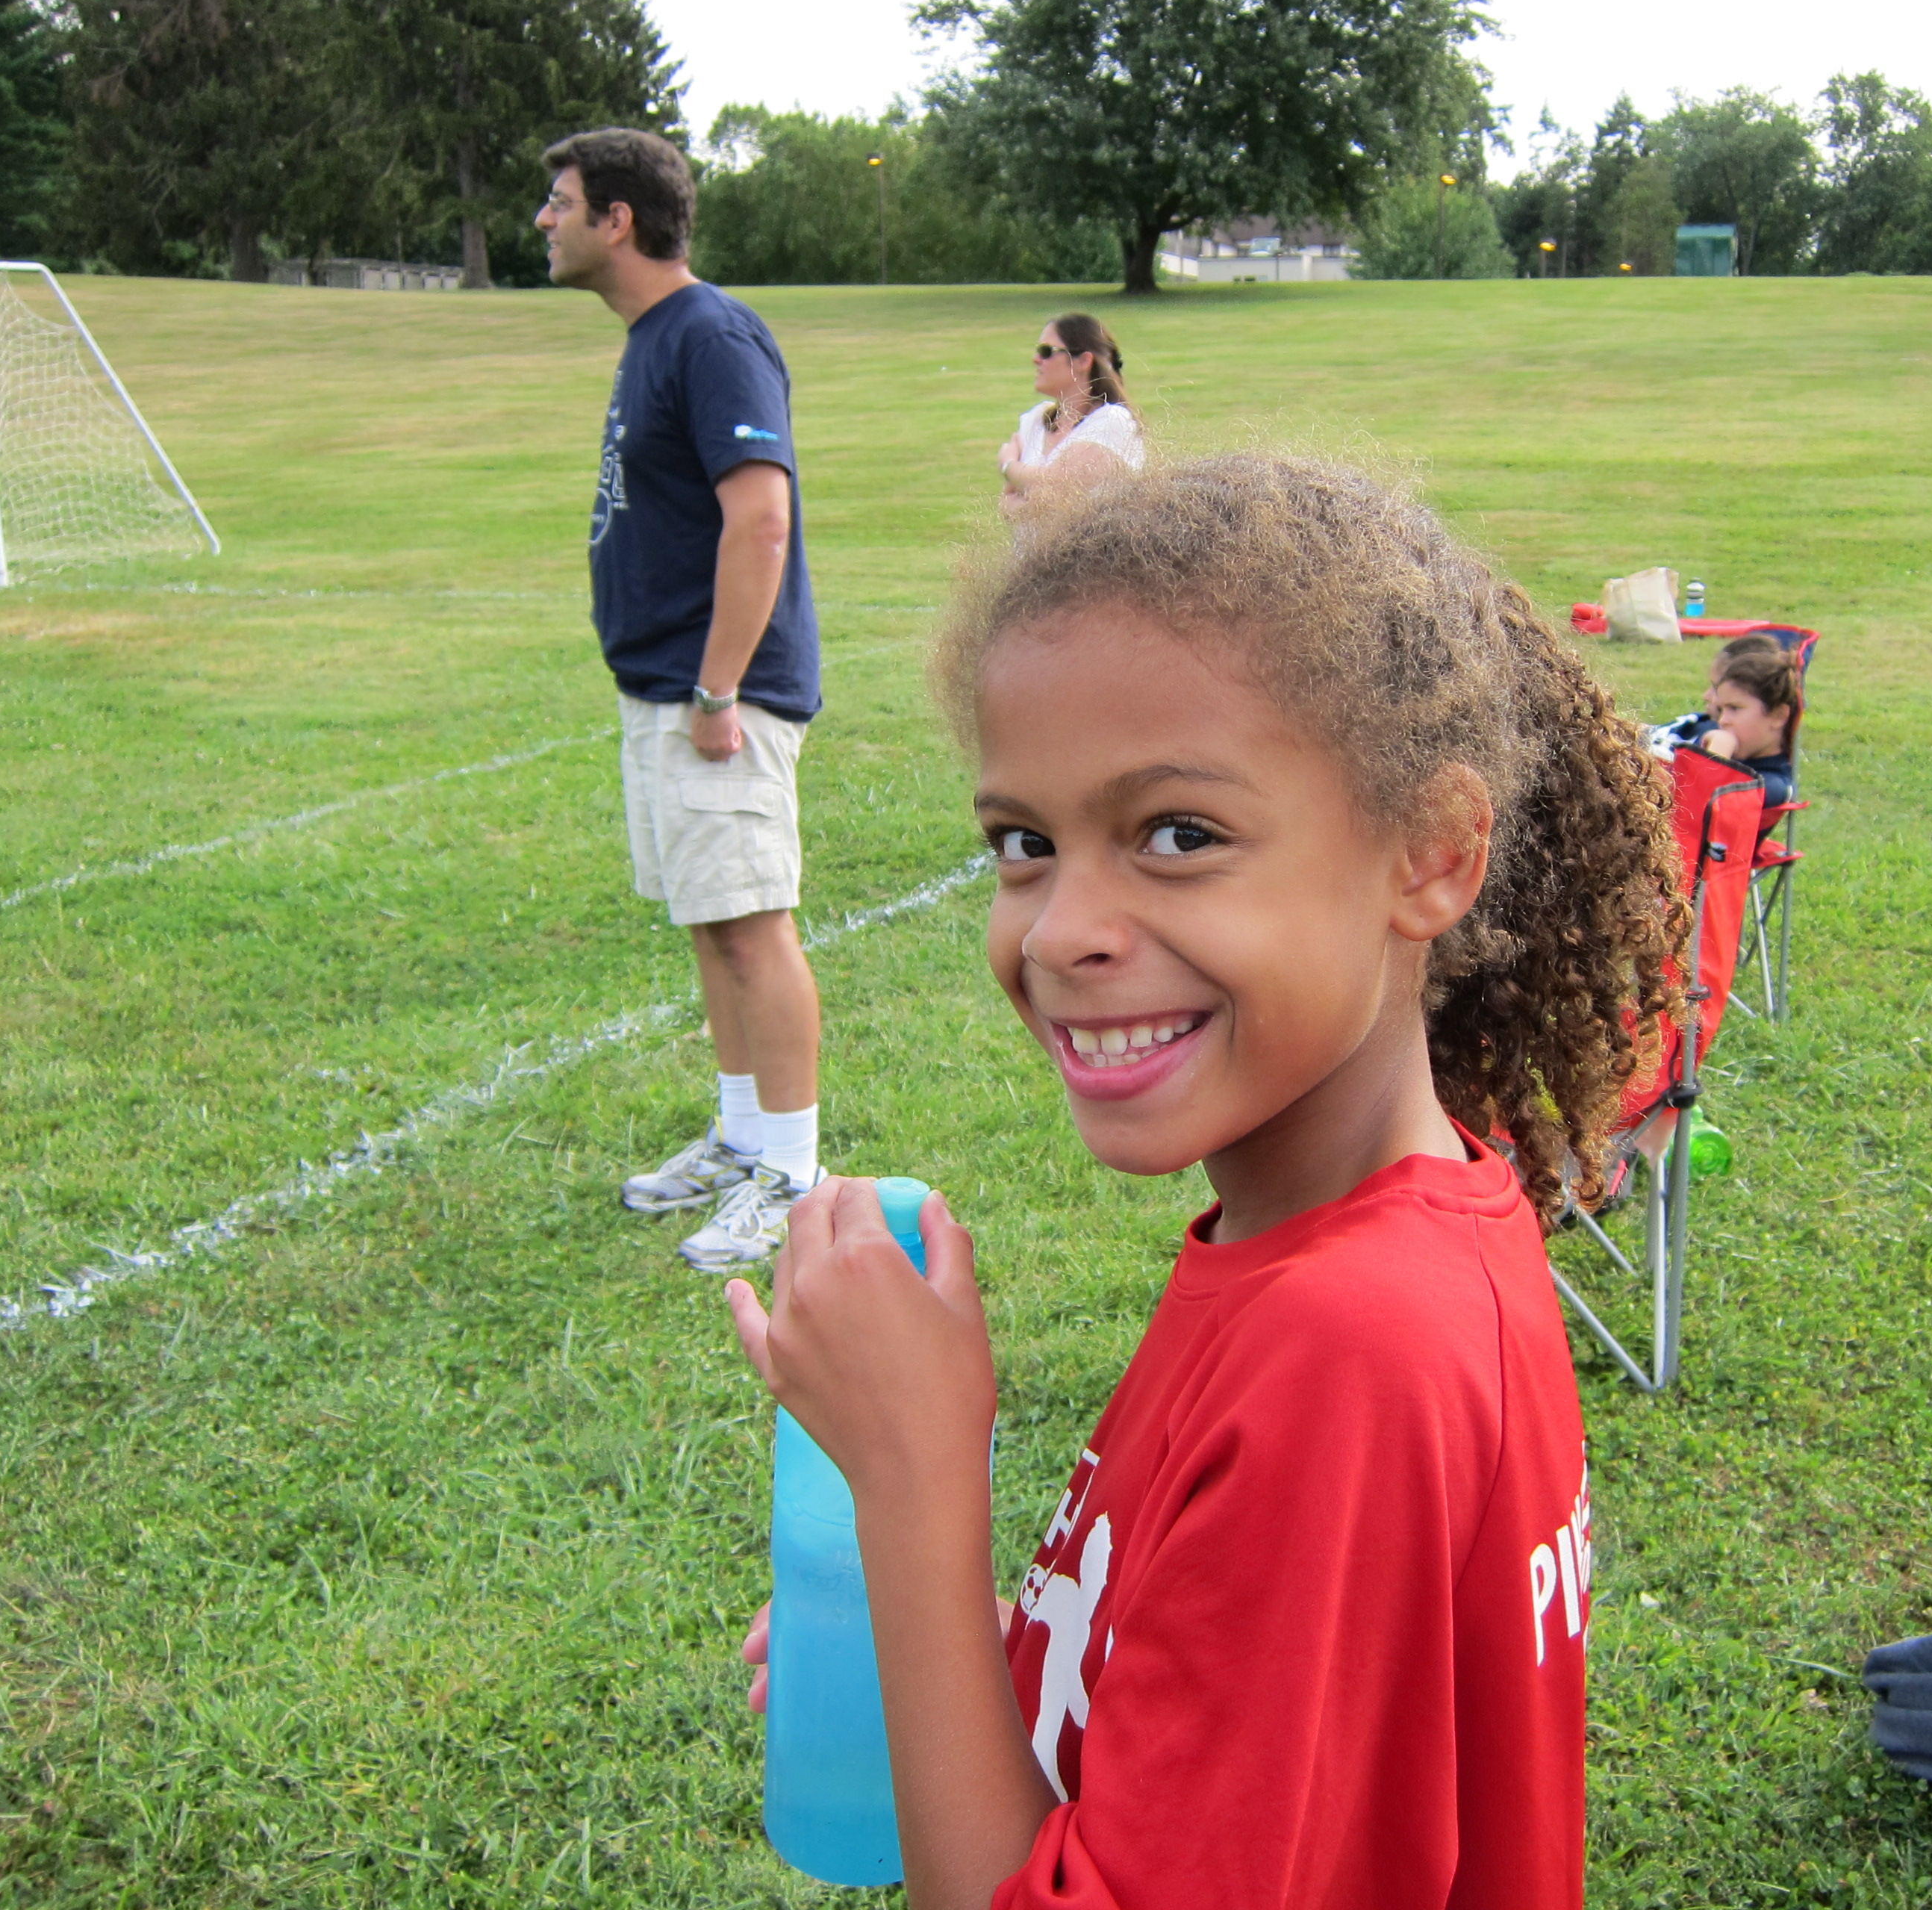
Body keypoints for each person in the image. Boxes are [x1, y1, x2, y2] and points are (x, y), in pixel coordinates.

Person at [722, 456, 1692, 1907]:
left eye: (1178, 834)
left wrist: (912, 1498)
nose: (1061, 930)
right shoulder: (1349, 1240)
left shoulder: (1351, 1348)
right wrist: (970, 1654)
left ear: (1430, 855)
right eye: (1023, 845)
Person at [535, 127, 828, 1273]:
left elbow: (761, 518)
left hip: (720, 692)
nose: (545, 221)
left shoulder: (711, 335)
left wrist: (719, 686)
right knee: (711, 922)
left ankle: (792, 1175)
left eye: (562, 202)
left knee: (753, 923)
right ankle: (743, 1137)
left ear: (619, 219)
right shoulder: (652, 338)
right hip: (665, 684)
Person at [996, 313, 1143, 517]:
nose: (1035, 359)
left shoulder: (1112, 421)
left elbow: (1059, 489)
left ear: (1084, 361)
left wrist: (1009, 466)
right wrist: (1035, 501)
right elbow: (1007, 505)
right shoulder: (1035, 420)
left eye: (1046, 352)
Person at [1651, 633, 1798, 805]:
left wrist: (1717, 756)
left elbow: (1699, 805)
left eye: (1735, 708)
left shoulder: (1773, 785)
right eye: (1721, 710)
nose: (1722, 720)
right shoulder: (1711, 731)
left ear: (1778, 716)